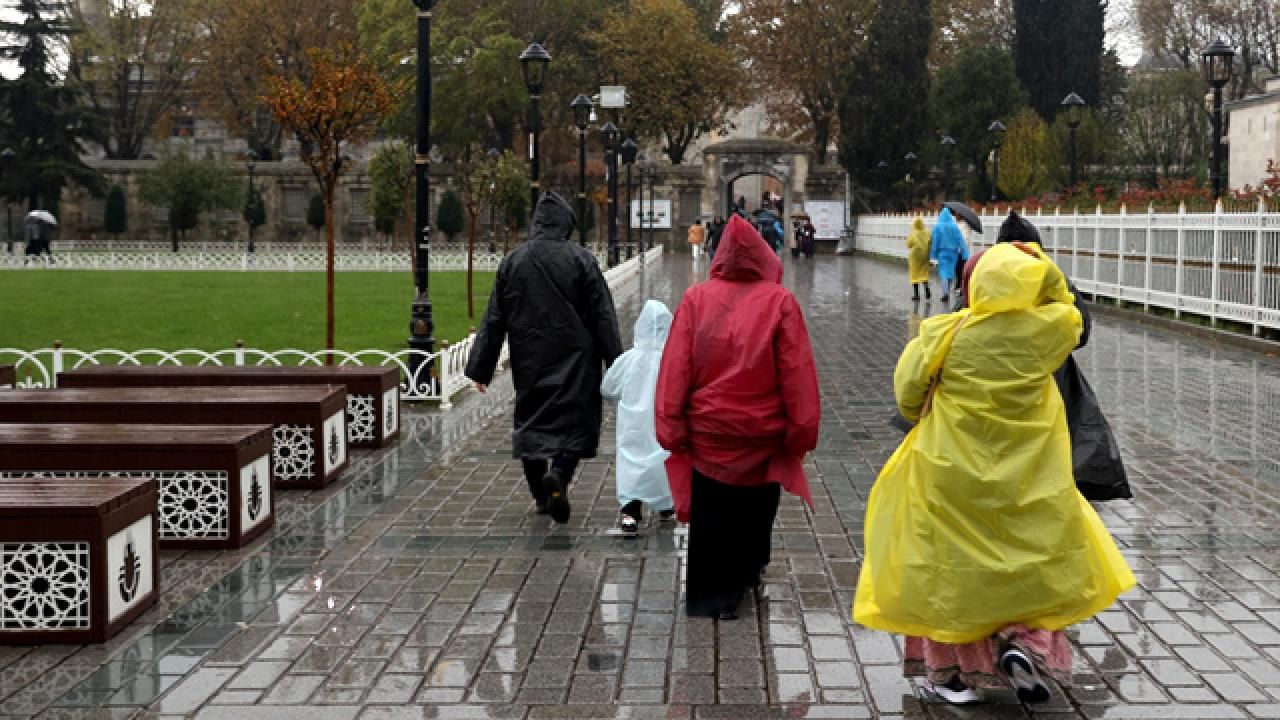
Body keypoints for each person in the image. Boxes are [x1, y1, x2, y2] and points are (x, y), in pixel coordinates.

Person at [854, 241, 1135, 706]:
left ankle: (953, 676)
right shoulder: (1048, 332)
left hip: (948, 472)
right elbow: (1069, 306)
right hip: (1030, 472)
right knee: (1028, 559)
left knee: (951, 569)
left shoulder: (944, 333)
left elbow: (907, 397)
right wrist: (1037, 263)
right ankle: (1024, 644)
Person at [656, 214, 821, 619]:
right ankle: (747, 573)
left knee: (712, 515)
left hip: (710, 433)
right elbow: (796, 374)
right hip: (762, 434)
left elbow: (676, 369)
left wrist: (670, 427)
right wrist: (801, 433)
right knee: (755, 508)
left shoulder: (696, 300)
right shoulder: (780, 303)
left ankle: (713, 593)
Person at [465, 191, 624, 524]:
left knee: (532, 425)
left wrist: (482, 366)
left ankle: (541, 494)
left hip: (530, 354)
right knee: (576, 421)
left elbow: (495, 316)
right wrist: (617, 364)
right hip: (577, 357)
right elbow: (603, 316)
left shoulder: (513, 261)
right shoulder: (581, 260)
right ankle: (561, 474)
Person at [601, 300, 676, 536]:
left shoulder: (629, 359)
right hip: (663, 421)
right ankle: (665, 504)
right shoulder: (672, 361)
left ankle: (630, 511)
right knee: (662, 460)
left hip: (632, 423)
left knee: (630, 462)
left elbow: (608, 387)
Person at [928, 208, 969, 303]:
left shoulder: (938, 227)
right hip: (953, 253)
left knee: (943, 273)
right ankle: (947, 291)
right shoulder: (954, 227)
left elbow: (935, 241)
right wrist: (965, 253)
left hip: (942, 253)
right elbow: (961, 241)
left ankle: (945, 293)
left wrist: (933, 254)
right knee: (950, 273)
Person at [906, 217, 932, 301]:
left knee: (914, 274)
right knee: (924, 273)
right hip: (925, 255)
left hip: (915, 256)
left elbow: (908, 244)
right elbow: (931, 242)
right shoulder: (927, 233)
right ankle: (927, 290)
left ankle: (916, 295)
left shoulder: (913, 233)